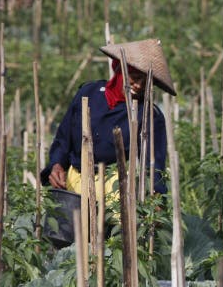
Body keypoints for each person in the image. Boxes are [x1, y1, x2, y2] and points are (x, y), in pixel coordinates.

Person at [41, 38, 176, 195]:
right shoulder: (88, 93)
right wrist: (56, 165)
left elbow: (153, 166)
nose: (139, 85)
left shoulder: (148, 115)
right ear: (119, 71)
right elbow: (63, 140)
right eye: (134, 76)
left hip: (116, 188)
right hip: (74, 180)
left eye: (146, 82)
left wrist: (155, 195)